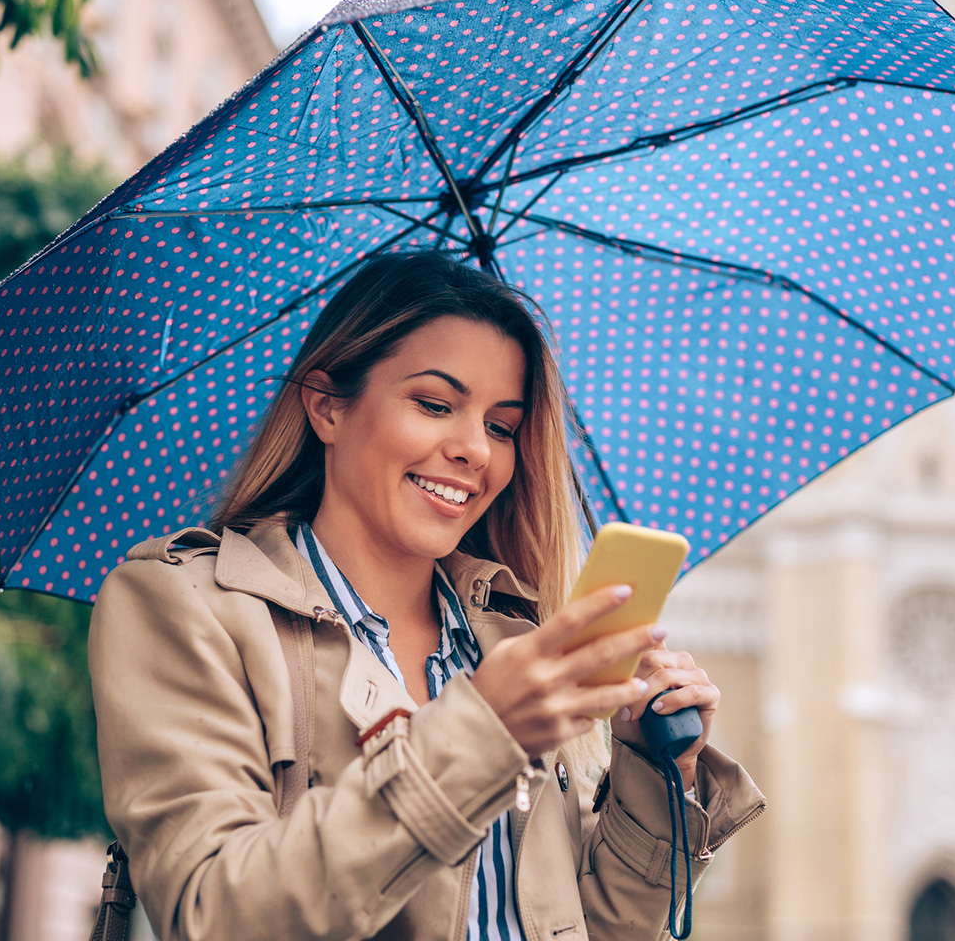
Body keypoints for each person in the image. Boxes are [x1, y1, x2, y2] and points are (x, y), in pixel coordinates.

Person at [89, 252, 765, 941]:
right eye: (436, 405)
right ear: (327, 405)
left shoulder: (519, 641)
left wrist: (653, 770)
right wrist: (483, 734)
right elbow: (213, 913)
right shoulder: (185, 607)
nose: (477, 450)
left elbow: (591, 929)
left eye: (501, 426)